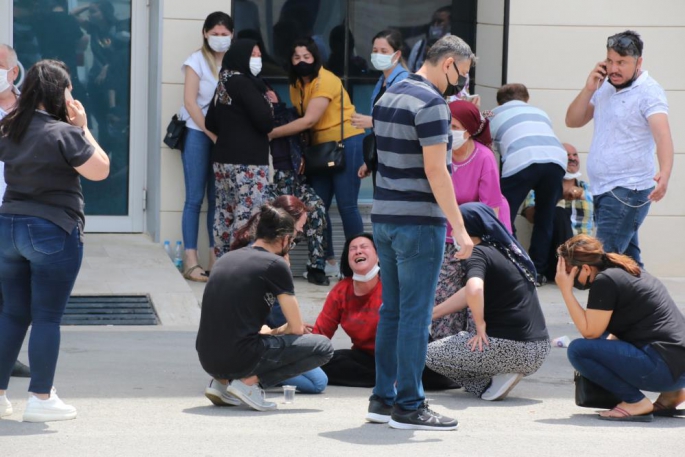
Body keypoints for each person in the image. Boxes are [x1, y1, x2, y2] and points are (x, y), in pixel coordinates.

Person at [368, 35, 475, 431]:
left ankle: (382, 400)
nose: (460, 84)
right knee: (415, 316)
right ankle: (409, 405)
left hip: (384, 216)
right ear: (448, 63)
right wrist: (460, 229)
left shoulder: (389, 94)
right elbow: (437, 171)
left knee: (392, 313)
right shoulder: (432, 104)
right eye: (461, 75)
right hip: (418, 222)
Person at [0, 59, 110, 422]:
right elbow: (100, 170)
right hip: (51, 229)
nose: (72, 95)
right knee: (47, 317)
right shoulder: (64, 133)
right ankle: (41, 397)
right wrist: (85, 127)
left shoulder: (10, 126)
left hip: (8, 227)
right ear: (56, 93)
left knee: (13, 313)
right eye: (68, 89)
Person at [196, 204, 334, 412]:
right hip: (239, 357)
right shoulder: (274, 265)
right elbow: (297, 328)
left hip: (207, 358)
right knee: (323, 347)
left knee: (248, 340)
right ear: (284, 238)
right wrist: (285, 329)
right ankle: (249, 383)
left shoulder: (226, 259)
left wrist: (277, 330)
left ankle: (220, 384)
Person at [565, 30, 674, 267]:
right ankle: (650, 304)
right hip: (604, 189)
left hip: (629, 189)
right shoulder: (603, 86)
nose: (614, 68)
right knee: (629, 264)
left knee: (602, 260)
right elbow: (572, 121)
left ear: (638, 62)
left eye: (622, 63)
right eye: (610, 61)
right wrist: (589, 89)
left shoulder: (649, 91)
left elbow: (663, 135)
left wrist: (665, 174)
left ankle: (600, 305)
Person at [426, 203, 550, 401]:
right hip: (539, 349)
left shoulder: (476, 253)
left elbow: (475, 288)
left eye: (456, 228)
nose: (453, 235)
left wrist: (480, 325)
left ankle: (489, 383)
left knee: (427, 354)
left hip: (512, 349)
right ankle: (500, 373)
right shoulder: (505, 252)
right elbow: (468, 291)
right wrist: (431, 314)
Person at [556, 235, 685, 422]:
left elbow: (589, 331)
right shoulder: (627, 270)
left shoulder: (605, 281)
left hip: (663, 368)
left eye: (569, 273)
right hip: (676, 367)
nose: (567, 278)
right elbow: (625, 325)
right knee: (601, 338)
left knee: (579, 350)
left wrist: (565, 290)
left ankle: (636, 402)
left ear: (585, 268)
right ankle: (672, 394)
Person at [269, 38, 365, 276]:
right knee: (316, 206)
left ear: (315, 58)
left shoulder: (327, 80)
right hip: (318, 151)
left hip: (345, 145)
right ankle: (328, 261)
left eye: (307, 57)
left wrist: (270, 134)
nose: (302, 62)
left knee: (347, 206)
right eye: (297, 57)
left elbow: (309, 120)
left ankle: (359, 264)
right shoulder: (295, 84)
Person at [310, 233, 455, 391]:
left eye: (364, 247)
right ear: (347, 258)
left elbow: (413, 328)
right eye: (353, 249)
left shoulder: (394, 283)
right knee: (327, 362)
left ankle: (395, 376)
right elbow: (321, 334)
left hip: (407, 353)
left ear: (379, 256)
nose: (358, 251)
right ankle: (390, 376)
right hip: (368, 358)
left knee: (432, 371)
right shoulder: (340, 291)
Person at [431, 100, 510, 340]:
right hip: (446, 237)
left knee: (478, 296)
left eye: (453, 125)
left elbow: (490, 211)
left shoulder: (484, 157)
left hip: (479, 237)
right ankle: (443, 354)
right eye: (446, 125)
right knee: (444, 296)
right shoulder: (437, 154)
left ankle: (477, 354)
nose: (448, 131)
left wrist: (476, 246)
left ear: (467, 130)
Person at [489, 83, 567, 286]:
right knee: (545, 217)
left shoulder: (493, 114)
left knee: (504, 214)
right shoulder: (540, 112)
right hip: (555, 160)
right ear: (527, 99)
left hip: (521, 160)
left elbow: (484, 144)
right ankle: (537, 271)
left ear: (499, 102)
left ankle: (516, 265)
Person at [177, 11, 234, 281]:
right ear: (205, 33)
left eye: (225, 35)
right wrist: (211, 134)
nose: (220, 39)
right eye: (215, 34)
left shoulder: (236, 63)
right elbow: (190, 103)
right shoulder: (196, 61)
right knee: (194, 198)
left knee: (218, 199)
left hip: (225, 136)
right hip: (198, 133)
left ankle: (216, 259)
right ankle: (190, 261)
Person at [205, 38, 274, 258]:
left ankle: (223, 263)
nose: (257, 59)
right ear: (241, 56)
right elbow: (265, 121)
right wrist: (269, 103)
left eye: (258, 54)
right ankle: (241, 265)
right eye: (252, 54)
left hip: (223, 159)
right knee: (249, 215)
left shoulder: (223, 82)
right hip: (248, 162)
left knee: (225, 213)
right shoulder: (244, 83)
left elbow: (210, 123)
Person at [267, 93, 329, 285]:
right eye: (265, 93)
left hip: (296, 179)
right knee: (277, 217)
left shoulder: (291, 116)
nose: (269, 94)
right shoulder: (258, 119)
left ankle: (316, 266)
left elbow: (304, 136)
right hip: (270, 180)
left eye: (272, 92)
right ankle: (273, 265)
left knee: (316, 207)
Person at [0, 43, 31, 380]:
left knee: (15, 290)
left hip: (21, 210)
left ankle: (7, 354)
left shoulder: (30, 108)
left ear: (13, 71)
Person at [522, 143, 594, 281]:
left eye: (575, 155)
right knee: (558, 213)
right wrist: (552, 198)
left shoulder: (590, 189)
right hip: (554, 257)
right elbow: (531, 216)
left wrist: (581, 194)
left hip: (582, 256)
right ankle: (540, 272)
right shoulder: (539, 189)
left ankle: (575, 268)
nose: (572, 158)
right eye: (567, 155)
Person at [351, 29, 410, 186]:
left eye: (384, 51)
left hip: (396, 159)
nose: (378, 55)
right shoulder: (382, 79)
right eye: (375, 51)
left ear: (397, 54)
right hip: (382, 156)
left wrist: (372, 121)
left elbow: (403, 121)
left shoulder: (403, 81)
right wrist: (371, 160)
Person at [407, 6, 451, 72]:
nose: (435, 24)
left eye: (440, 21)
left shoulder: (452, 46)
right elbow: (410, 69)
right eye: (433, 21)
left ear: (449, 23)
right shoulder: (420, 45)